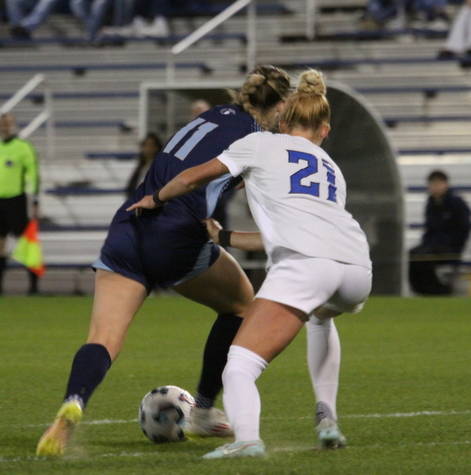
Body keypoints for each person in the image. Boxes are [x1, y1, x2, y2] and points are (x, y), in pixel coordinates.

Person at [35, 65, 293, 457]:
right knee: (242, 304)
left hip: (130, 224)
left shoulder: (209, 116)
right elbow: (215, 183)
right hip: (175, 235)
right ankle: (204, 410)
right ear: (280, 107)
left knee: (104, 338)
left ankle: (73, 405)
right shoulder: (258, 139)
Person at [128, 70, 373, 459]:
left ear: (283, 120)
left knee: (239, 364)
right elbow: (289, 232)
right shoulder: (331, 169)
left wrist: (155, 198)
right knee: (321, 317)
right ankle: (327, 418)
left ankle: (247, 440)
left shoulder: (259, 142)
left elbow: (193, 177)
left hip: (307, 267)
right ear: (323, 130)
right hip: (357, 269)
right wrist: (223, 238)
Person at [0, 113, 41, 296]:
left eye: (8, 124)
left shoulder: (23, 147)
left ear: (14, 126)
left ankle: (33, 286)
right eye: (2, 124)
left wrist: (35, 199)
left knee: (26, 244)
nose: (5, 127)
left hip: (17, 200)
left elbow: (33, 174)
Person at [408, 170, 471, 296]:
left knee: (425, 258)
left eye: (438, 184)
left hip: (450, 247)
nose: (435, 188)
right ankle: (420, 290)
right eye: (432, 184)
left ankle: (437, 291)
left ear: (446, 185)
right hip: (432, 246)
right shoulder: (431, 204)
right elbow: (429, 230)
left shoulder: (457, 203)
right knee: (412, 255)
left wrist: (448, 243)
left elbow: (463, 230)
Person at [124, 132, 163, 198]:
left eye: (152, 145)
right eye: (146, 145)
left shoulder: (163, 169)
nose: (149, 148)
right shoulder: (139, 169)